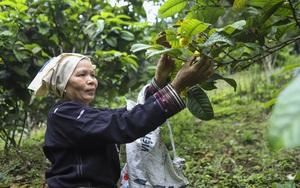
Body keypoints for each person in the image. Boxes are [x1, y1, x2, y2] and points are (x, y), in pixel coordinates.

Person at [28, 52, 214, 187]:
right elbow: (124, 125)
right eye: (81, 75)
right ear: (63, 83)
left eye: (93, 74)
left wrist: (160, 79)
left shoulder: (83, 114)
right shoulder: (63, 114)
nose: (91, 80)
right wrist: (178, 84)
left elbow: (128, 115)